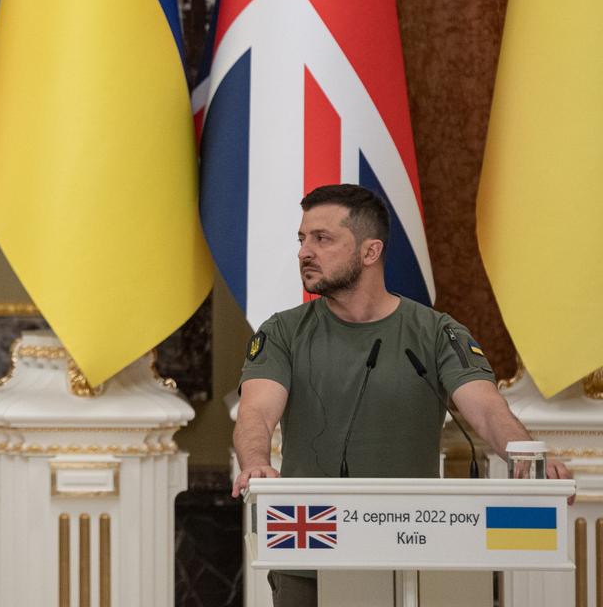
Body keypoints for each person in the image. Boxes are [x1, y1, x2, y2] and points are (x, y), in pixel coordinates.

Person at [229, 183, 570, 607]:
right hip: (311, 544)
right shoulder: (282, 332)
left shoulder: (435, 332)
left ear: (371, 252)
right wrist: (257, 464)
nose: (304, 252)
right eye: (302, 239)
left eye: (323, 238)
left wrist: (526, 458)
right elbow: (257, 412)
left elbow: (485, 409)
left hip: (418, 544)